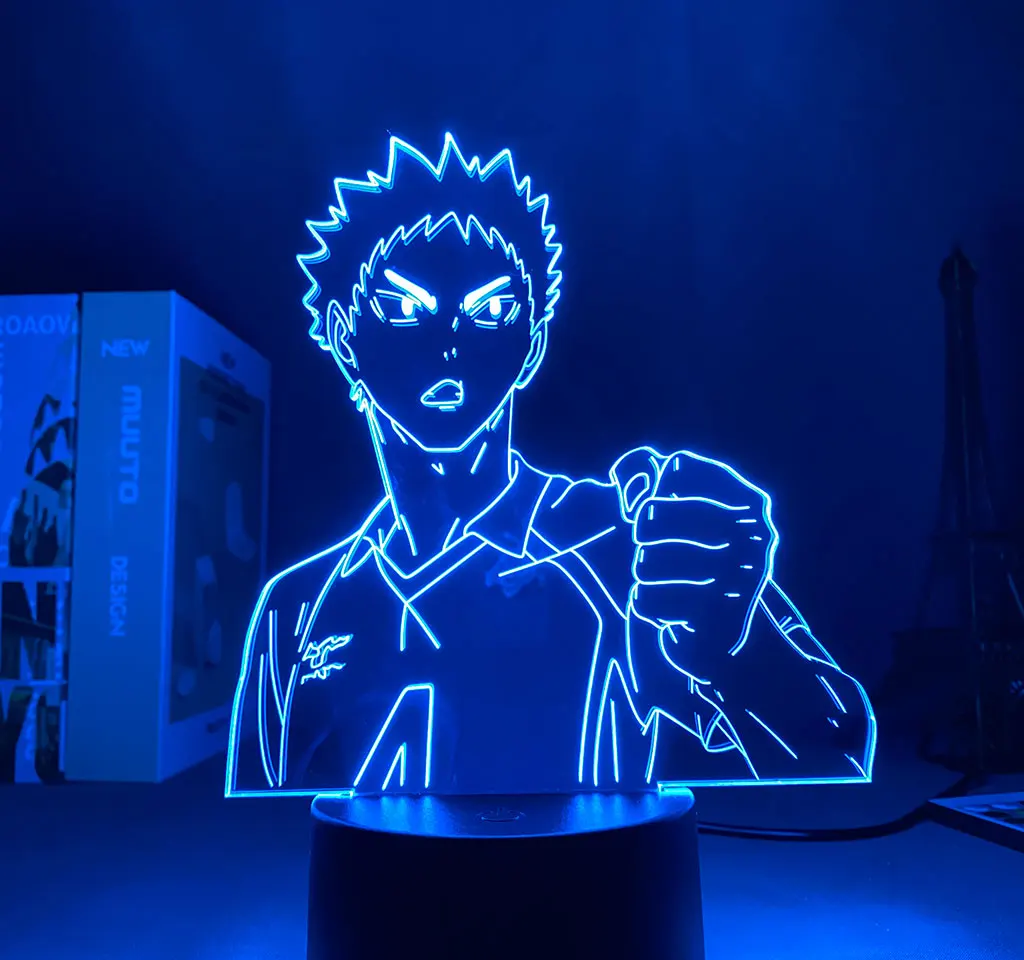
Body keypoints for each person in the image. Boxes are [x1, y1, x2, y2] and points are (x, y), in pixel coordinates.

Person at [225, 133, 875, 797]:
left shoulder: (628, 541)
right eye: (403, 309)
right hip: (368, 868)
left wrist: (739, 650)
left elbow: (833, 763)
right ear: (344, 334)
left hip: (593, 867)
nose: (449, 344)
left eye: (490, 311)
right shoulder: (297, 604)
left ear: (531, 343)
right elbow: (251, 825)